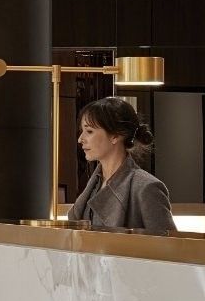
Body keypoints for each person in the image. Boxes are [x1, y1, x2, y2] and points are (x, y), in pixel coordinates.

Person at [66, 96, 176, 233]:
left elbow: (169, 247)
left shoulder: (146, 187)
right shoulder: (94, 184)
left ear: (115, 136)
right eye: (82, 131)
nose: (80, 139)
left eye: (89, 131)